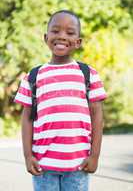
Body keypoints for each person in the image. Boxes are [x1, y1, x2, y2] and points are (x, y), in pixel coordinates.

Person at [14, 10, 107, 191]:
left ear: (78, 42)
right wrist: (27, 156)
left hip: (78, 164)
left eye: (70, 33)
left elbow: (97, 116)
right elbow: (26, 119)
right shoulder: (33, 76)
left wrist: (94, 156)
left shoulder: (88, 74)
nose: (62, 36)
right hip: (43, 164)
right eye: (55, 31)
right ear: (45, 37)